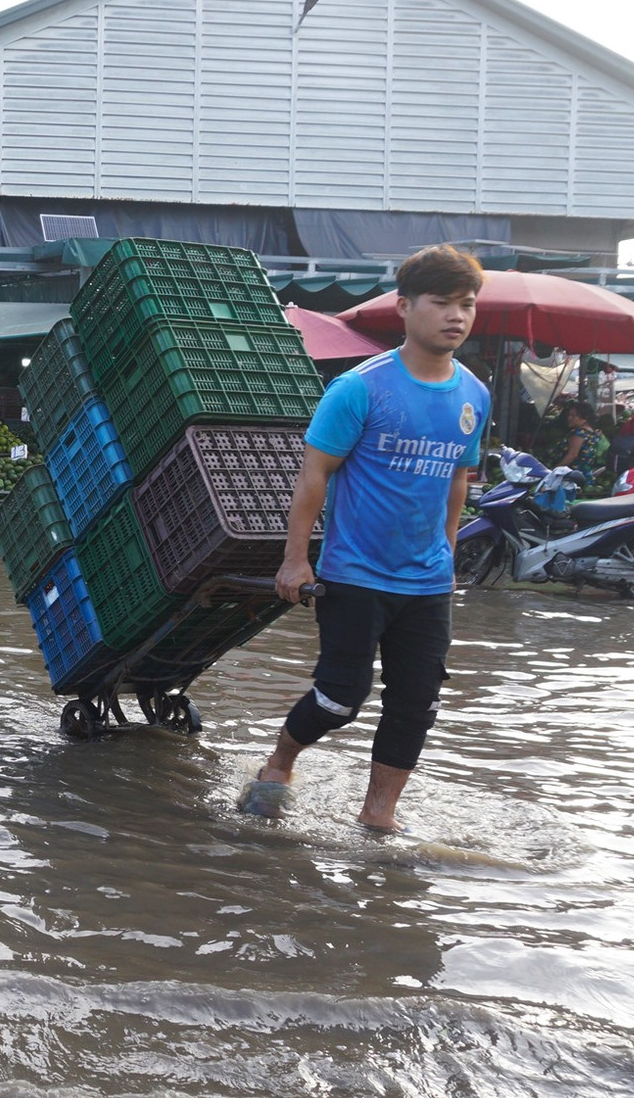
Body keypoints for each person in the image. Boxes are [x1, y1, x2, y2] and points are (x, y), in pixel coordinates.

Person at [241, 245, 491, 833]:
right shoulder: (359, 389)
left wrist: (448, 557)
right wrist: (295, 561)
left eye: (467, 305)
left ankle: (378, 815)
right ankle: (279, 764)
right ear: (405, 307)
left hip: (427, 581)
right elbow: (314, 477)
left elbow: (458, 481)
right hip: (355, 573)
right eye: (442, 303)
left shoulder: (473, 395)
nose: (456, 315)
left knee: (417, 705)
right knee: (339, 699)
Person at [555, 401, 611, 486]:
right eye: (569, 415)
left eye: (574, 416)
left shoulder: (579, 433)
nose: (569, 418)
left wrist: (554, 470)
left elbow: (572, 455)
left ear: (585, 418)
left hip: (573, 477)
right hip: (586, 475)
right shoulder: (592, 432)